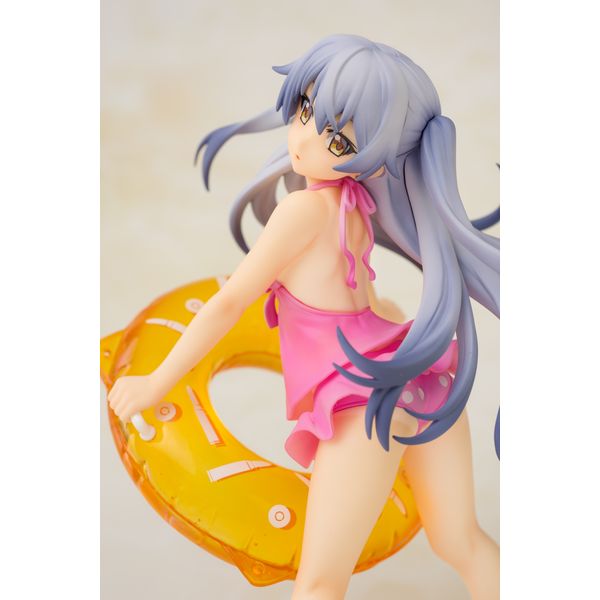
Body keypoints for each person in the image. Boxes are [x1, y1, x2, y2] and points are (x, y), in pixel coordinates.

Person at [107, 34, 499, 600]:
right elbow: (367, 303)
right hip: (419, 379)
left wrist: (155, 382)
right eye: (307, 110)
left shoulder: (303, 210)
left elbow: (229, 303)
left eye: (337, 139)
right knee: (461, 542)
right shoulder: (357, 206)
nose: (304, 137)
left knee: (318, 583)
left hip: (363, 404)